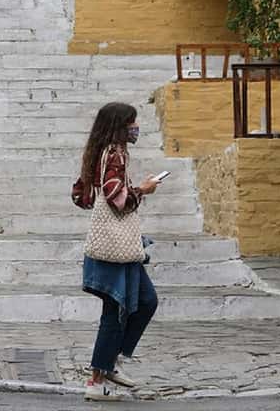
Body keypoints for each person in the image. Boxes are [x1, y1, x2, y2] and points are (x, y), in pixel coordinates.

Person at [79, 102, 160, 402]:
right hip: (116, 246)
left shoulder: (100, 152)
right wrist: (143, 190)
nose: (136, 127)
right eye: (132, 122)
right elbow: (117, 198)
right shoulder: (114, 153)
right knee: (115, 309)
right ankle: (97, 379)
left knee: (145, 301)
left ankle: (109, 363)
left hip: (122, 246)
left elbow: (81, 195)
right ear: (120, 126)